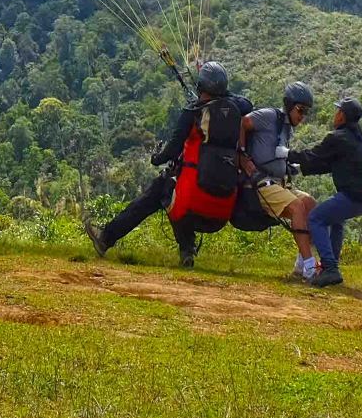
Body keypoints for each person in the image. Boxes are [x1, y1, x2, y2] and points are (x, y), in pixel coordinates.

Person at [87, 61, 250, 268]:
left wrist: (156, 157)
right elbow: (247, 103)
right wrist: (222, 93)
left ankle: (106, 238)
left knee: (161, 189)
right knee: (172, 189)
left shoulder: (192, 113)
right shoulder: (237, 111)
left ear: (200, 87)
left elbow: (171, 150)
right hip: (221, 213)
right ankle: (186, 251)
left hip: (192, 205)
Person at [289, 97, 362, 287]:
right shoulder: (354, 138)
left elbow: (313, 155)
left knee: (316, 218)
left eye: (338, 111)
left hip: (359, 193)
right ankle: (329, 268)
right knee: (335, 220)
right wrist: (299, 169)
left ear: (342, 116)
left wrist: (286, 154)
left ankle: (330, 269)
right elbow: (326, 163)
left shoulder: (338, 137)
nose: (336, 114)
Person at [239, 82, 320, 279]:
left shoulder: (287, 129)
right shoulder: (268, 116)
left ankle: (301, 266)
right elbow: (243, 123)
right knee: (297, 207)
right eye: (300, 110)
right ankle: (310, 269)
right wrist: (242, 155)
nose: (302, 116)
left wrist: (287, 167)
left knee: (309, 204)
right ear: (289, 105)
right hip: (260, 183)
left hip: (279, 182)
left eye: (306, 112)